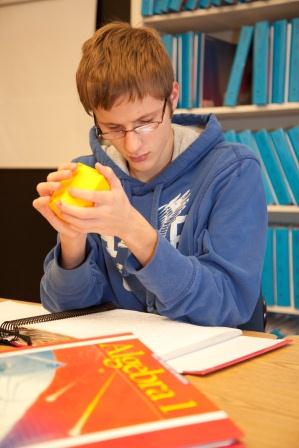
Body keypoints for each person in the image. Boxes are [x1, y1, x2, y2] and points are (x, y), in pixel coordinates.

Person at [33, 21, 267, 328]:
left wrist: (132, 229)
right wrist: (72, 240)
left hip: (215, 361)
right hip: (128, 356)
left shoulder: (233, 172)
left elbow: (228, 304)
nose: (132, 144)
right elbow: (68, 309)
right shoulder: (91, 175)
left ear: (172, 98)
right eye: (113, 128)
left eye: (145, 122)